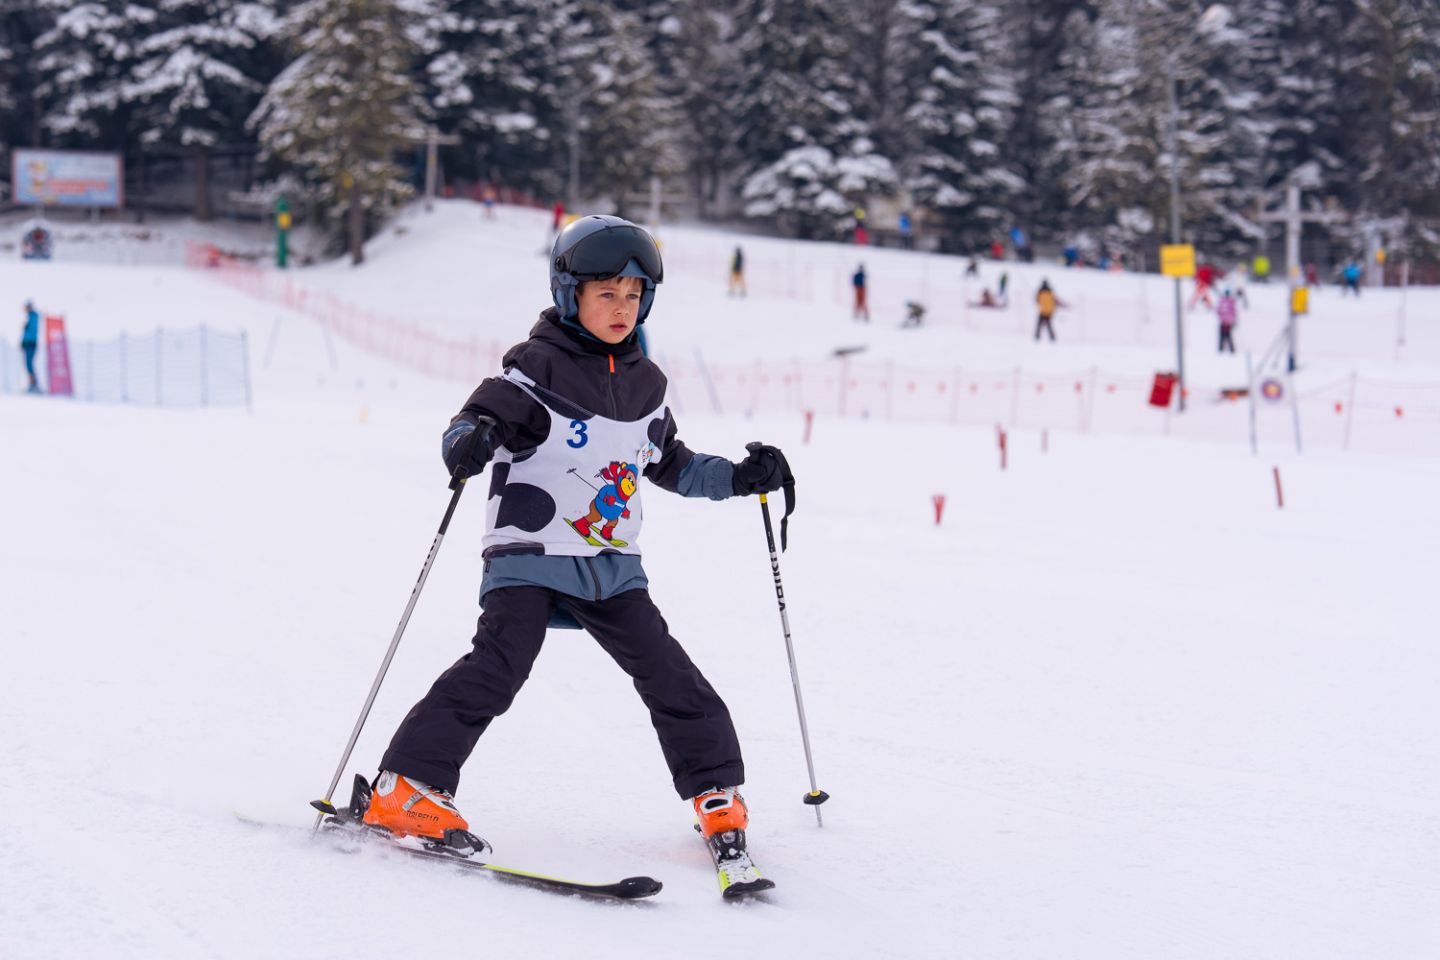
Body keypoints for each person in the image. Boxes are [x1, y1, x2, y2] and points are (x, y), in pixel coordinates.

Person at [361, 215, 789, 898]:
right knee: (498, 667)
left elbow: (671, 464)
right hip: (529, 552)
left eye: (634, 295)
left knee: (671, 676)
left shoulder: (647, 385)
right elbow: (473, 421)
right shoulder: (535, 369)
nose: (622, 309)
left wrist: (740, 477)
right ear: (569, 294)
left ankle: (716, 795)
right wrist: (468, 440)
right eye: (606, 294)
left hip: (611, 565)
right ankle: (406, 787)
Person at [20, 300, 40, 393]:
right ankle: (32, 384)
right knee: (28, 364)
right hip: (29, 344)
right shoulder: (30, 317)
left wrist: (26, 342)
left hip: (30, 344)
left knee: (29, 364)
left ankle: (33, 384)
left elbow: (32, 332)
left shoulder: (33, 317)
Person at [1216, 289, 1238, 353]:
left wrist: (1232, 320)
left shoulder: (1225, 301)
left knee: (1226, 336)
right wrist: (1233, 320)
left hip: (1225, 322)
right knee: (1225, 336)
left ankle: (1225, 349)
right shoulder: (1228, 301)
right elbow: (1233, 312)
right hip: (1225, 322)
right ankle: (1224, 349)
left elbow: (1218, 311)